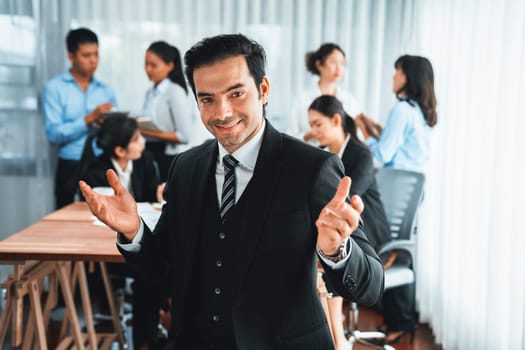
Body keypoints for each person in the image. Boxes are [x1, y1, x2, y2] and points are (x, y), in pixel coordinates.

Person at [79, 33, 384, 350]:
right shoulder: (186, 168)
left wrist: (337, 253)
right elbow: (164, 269)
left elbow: (371, 287)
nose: (222, 112)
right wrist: (135, 232)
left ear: (263, 90)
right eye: (207, 99)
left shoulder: (312, 168)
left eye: (236, 94)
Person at [355, 54, 438, 344]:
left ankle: (397, 318)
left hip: (395, 187)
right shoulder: (418, 110)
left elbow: (382, 155)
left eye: (397, 72)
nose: (393, 77)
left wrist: (362, 138)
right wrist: (374, 130)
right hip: (411, 189)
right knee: (400, 248)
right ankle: (398, 318)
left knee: (388, 246)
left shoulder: (402, 110)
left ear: (408, 77)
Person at [77, 115, 168, 349]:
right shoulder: (96, 169)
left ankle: (147, 335)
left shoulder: (145, 160)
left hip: (138, 240)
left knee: (151, 269)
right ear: (120, 149)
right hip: (106, 244)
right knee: (147, 273)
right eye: (137, 139)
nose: (144, 143)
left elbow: (150, 198)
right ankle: (143, 334)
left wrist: (160, 196)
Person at [308, 95, 391, 350]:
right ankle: (333, 333)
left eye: (318, 124)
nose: (313, 131)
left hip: (369, 230)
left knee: (323, 252)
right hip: (344, 226)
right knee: (317, 246)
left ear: (336, 120)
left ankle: (337, 337)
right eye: (311, 125)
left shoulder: (361, 154)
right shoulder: (323, 155)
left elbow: (346, 199)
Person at [42, 27, 117, 209]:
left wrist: (106, 124)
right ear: (71, 56)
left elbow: (115, 131)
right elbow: (53, 134)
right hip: (70, 164)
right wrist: (90, 118)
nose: (93, 61)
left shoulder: (106, 90)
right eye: (86, 55)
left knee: (105, 218)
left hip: (101, 162)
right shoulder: (54, 88)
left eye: (96, 54)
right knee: (65, 218)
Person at [139, 41, 195, 181]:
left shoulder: (175, 92)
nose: (148, 69)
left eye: (153, 65)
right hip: (149, 153)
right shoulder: (151, 92)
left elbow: (184, 136)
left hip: (167, 158)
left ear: (169, 66)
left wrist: (144, 131)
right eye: (146, 64)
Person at [288, 43, 361, 144]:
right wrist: (313, 133)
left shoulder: (349, 100)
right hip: (310, 155)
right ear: (319, 65)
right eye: (333, 62)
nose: (339, 68)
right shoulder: (302, 99)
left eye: (342, 63)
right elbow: (290, 138)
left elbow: (356, 135)